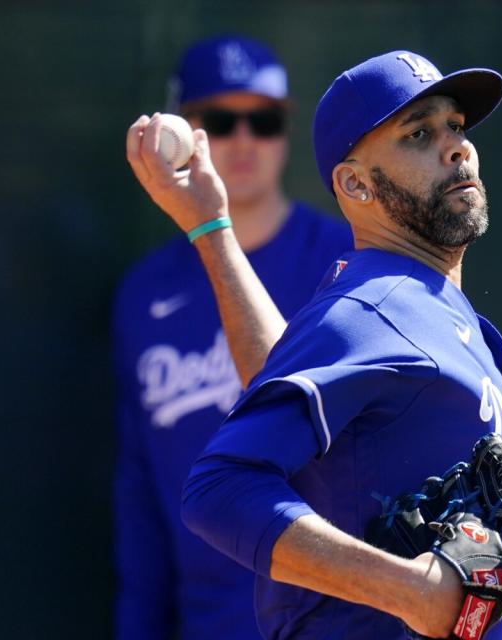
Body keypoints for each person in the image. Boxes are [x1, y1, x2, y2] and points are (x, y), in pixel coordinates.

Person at [126, 50, 502, 639]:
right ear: (354, 183)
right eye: (419, 133)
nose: (456, 146)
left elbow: (277, 374)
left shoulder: (424, 312)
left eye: (455, 126)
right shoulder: (374, 307)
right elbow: (219, 489)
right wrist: (410, 590)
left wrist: (212, 228)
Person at [113, 35, 352, 640]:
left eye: (264, 120)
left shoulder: (348, 260)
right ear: (185, 130)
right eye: (221, 120)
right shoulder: (145, 293)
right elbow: (141, 492)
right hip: (207, 622)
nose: (244, 141)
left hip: (336, 612)